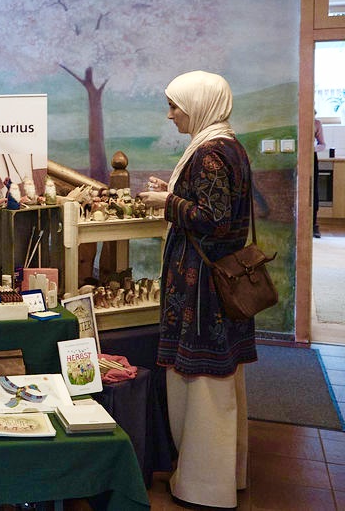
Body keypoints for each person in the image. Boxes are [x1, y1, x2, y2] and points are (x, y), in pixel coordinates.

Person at [138, 71, 256, 509]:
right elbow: (215, 206)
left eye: (175, 106)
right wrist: (171, 192)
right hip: (218, 279)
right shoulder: (228, 145)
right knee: (222, 381)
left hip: (202, 285)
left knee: (204, 383)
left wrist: (166, 203)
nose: (171, 115)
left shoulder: (209, 153)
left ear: (198, 104)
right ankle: (225, 476)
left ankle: (204, 485)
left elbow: (214, 220)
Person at [315, 114, 326, 238]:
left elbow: (322, 144)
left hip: (311, 156)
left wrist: (313, 148)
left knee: (313, 191)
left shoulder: (317, 123)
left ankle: (313, 224)